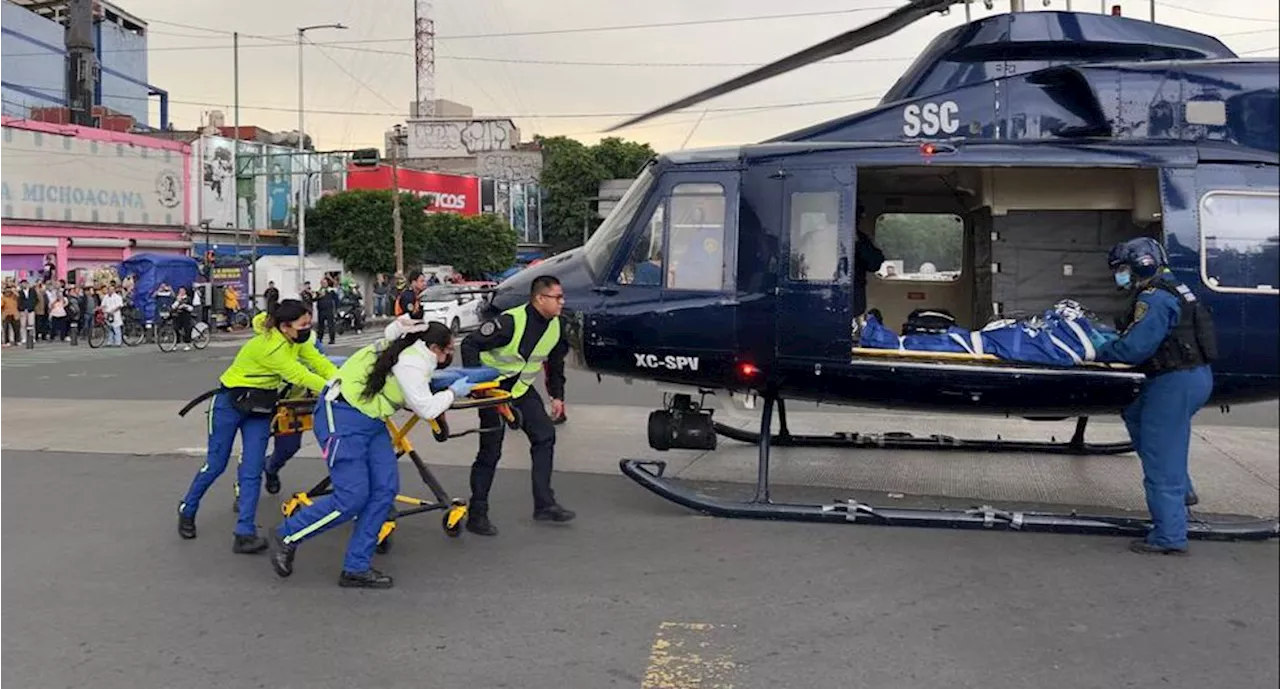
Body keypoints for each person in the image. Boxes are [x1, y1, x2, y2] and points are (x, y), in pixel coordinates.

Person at [267, 316, 474, 588]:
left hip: (371, 420)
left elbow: (393, 334)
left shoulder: (399, 343)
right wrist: (452, 392)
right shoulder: (413, 361)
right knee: (351, 497)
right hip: (341, 417)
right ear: (435, 348)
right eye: (448, 351)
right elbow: (427, 409)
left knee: (384, 490)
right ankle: (287, 536)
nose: (450, 357)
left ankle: (356, 567)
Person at [176, 299, 339, 553]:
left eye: (310, 323)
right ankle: (188, 508)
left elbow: (318, 363)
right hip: (229, 404)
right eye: (303, 325)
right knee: (216, 465)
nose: (308, 329)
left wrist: (342, 380)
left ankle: (244, 533)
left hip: (260, 409)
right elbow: (298, 375)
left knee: (252, 471)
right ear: (285, 326)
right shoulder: (271, 348)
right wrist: (336, 392)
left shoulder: (298, 340)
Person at [1095, 237, 1216, 556]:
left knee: (1163, 457)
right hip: (1189, 377)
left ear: (1141, 263)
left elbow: (1135, 348)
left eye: (1122, 269)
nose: (1119, 275)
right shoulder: (1174, 287)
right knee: (1135, 414)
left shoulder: (1155, 297)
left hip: (1172, 382)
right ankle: (1183, 494)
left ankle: (1169, 535)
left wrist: (1098, 349)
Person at [461, 275, 574, 536]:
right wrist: (477, 386)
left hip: (520, 390)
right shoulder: (511, 322)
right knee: (491, 451)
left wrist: (557, 396)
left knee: (545, 435)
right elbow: (470, 344)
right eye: (557, 297)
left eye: (562, 297)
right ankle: (477, 514)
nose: (562, 302)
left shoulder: (557, 325)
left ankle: (544, 504)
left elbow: (555, 363)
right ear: (539, 299)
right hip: (493, 389)